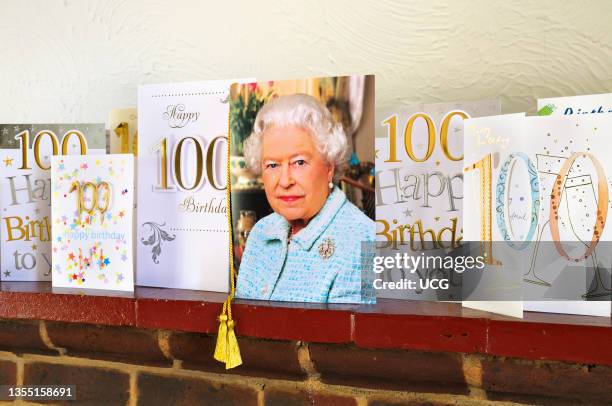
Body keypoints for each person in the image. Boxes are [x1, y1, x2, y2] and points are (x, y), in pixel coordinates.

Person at [235, 93, 375, 304]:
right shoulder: (261, 233)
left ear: (329, 166)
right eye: (272, 165)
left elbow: (350, 335)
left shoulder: (365, 242)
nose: (284, 181)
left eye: (299, 162)